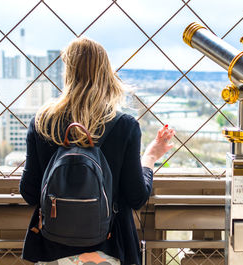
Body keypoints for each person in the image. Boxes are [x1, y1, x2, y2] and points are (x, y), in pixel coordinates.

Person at [19, 37, 175, 265]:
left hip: (52, 248)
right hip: (111, 249)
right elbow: (136, 197)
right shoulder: (124, 126)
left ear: (68, 73)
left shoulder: (42, 123)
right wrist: (150, 157)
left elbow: (29, 193)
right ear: (105, 73)